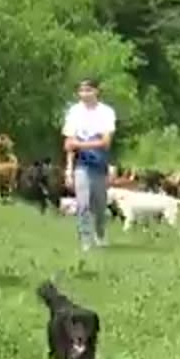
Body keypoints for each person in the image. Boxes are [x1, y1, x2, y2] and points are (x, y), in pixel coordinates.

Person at [62, 78, 116, 252]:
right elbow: (68, 143)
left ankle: (100, 234)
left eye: (88, 90)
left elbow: (106, 142)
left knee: (99, 204)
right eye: (82, 90)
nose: (85, 94)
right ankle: (86, 239)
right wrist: (68, 168)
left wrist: (79, 144)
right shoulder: (74, 112)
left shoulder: (106, 112)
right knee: (83, 204)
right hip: (81, 164)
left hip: (100, 163)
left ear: (96, 92)